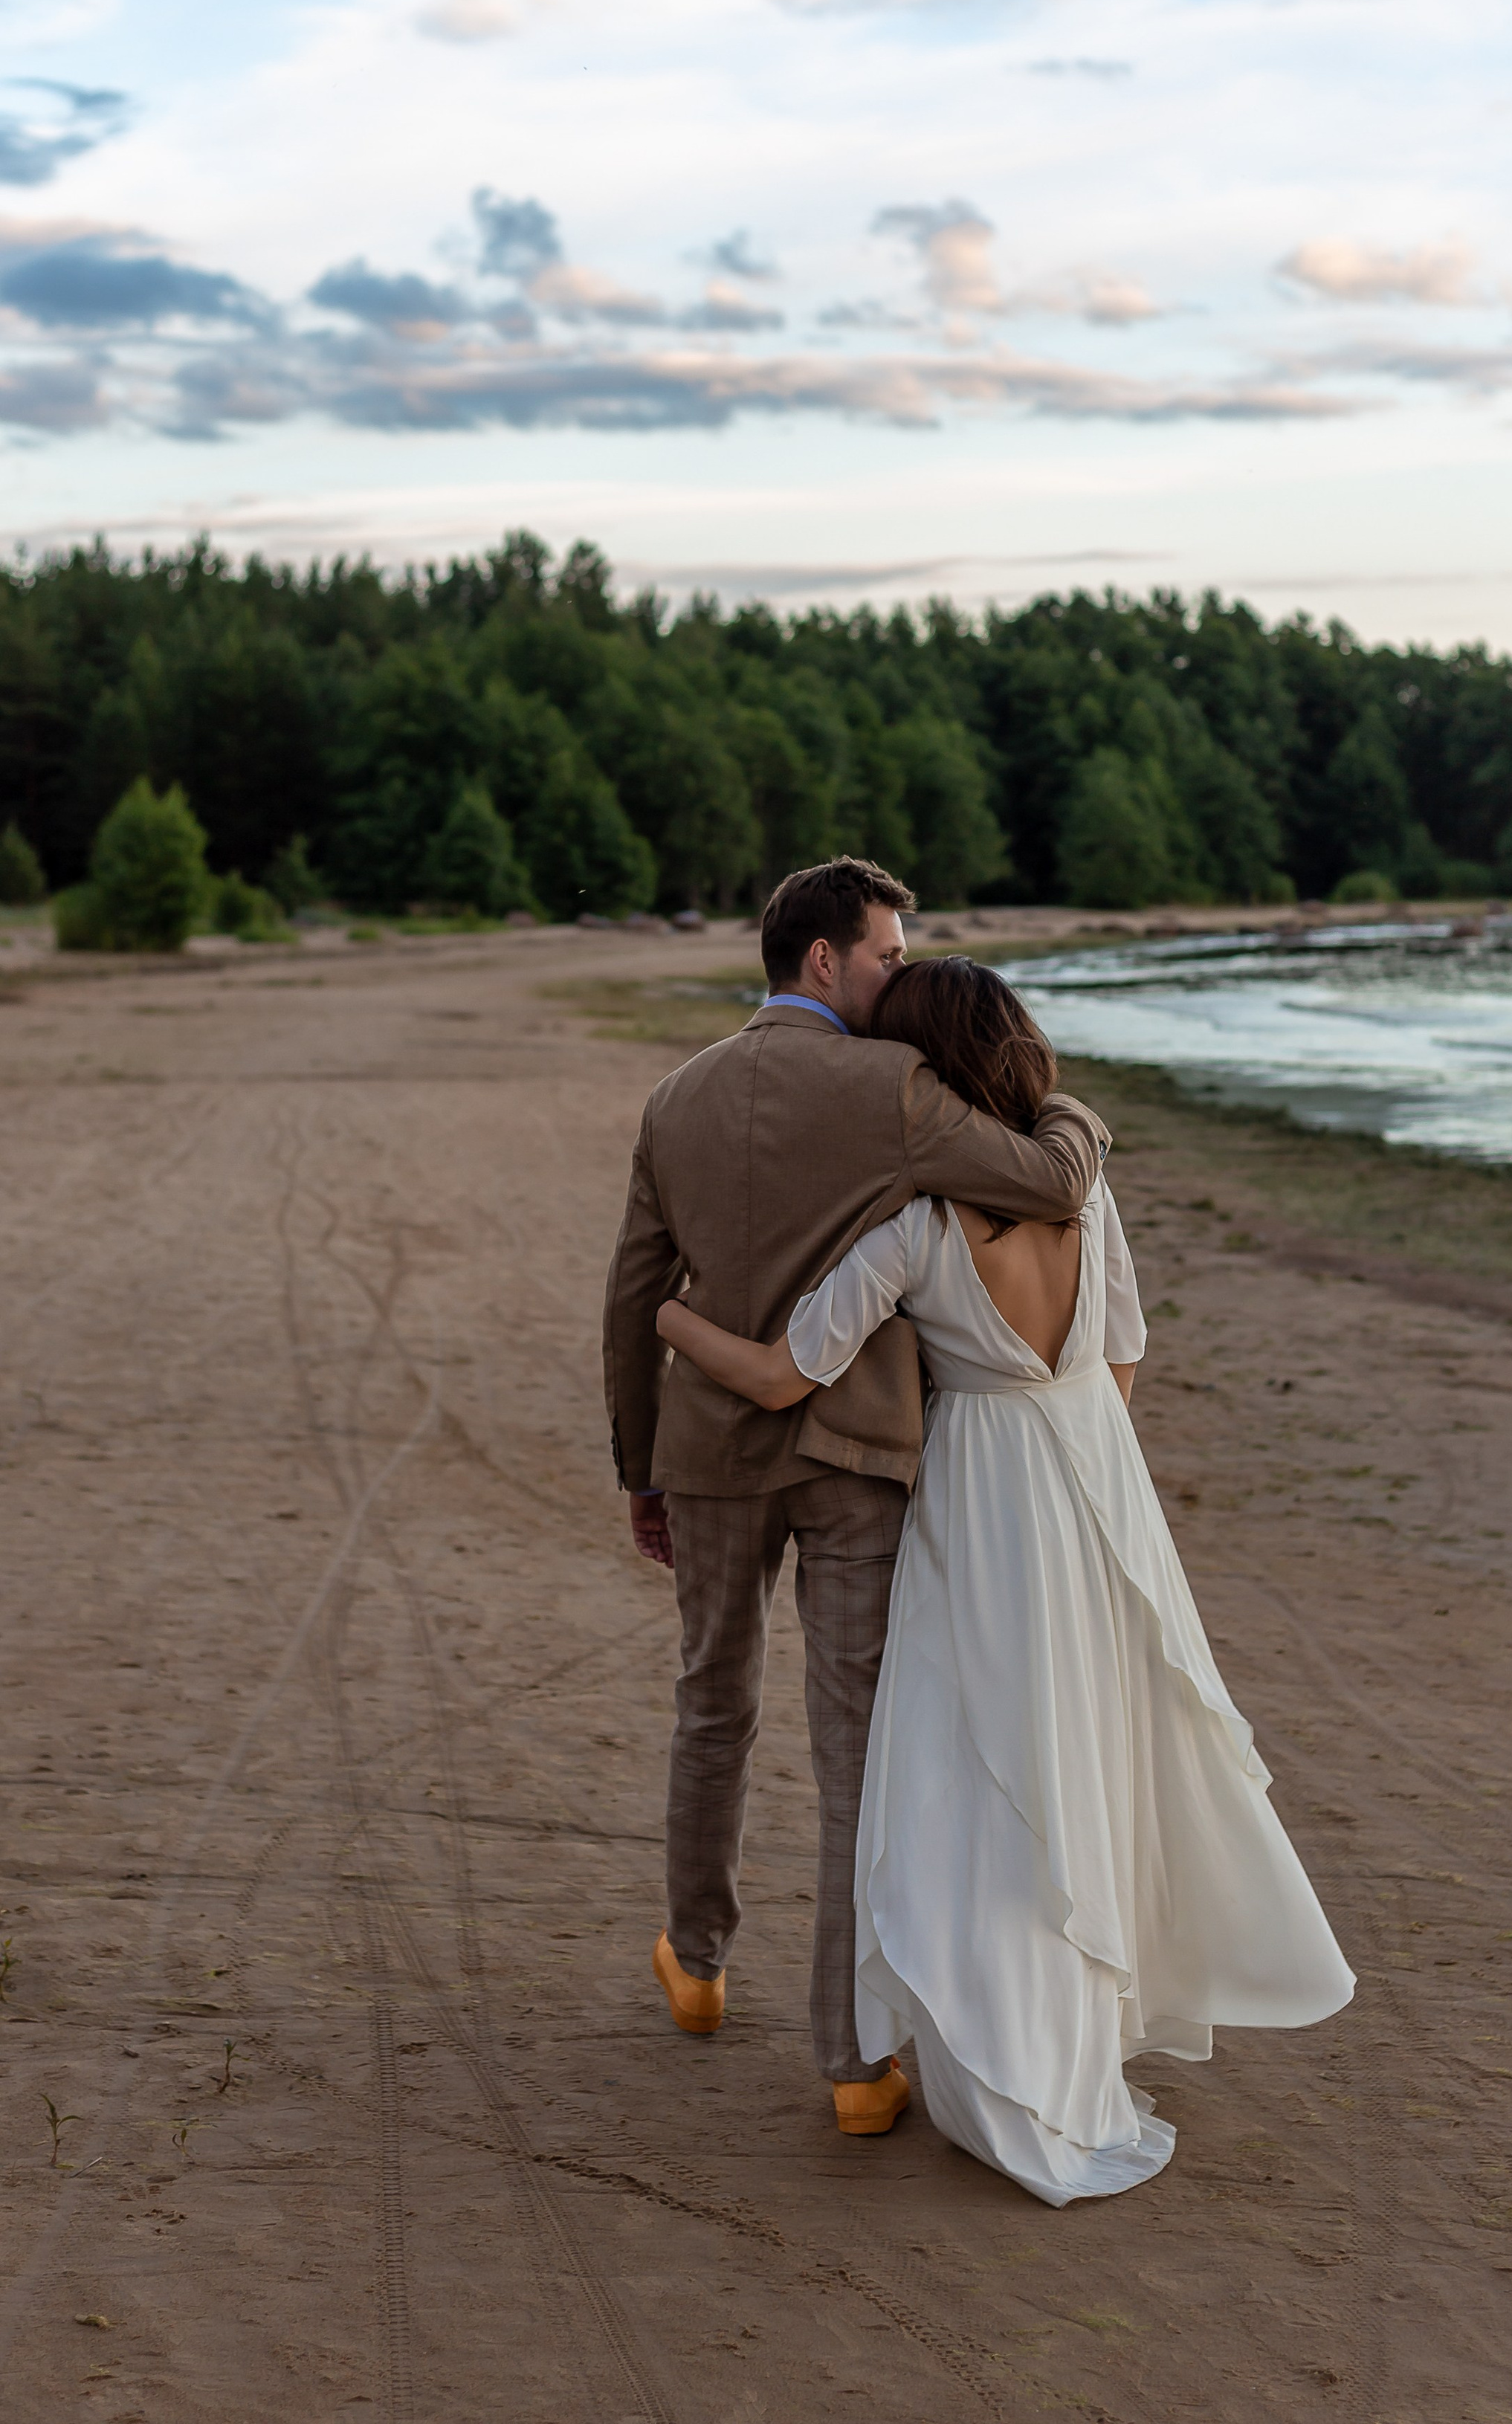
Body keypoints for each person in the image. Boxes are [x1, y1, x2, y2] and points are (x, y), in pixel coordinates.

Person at [657, 954, 1356, 2208]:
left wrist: (672, 1323)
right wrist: (1081, 1455)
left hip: (979, 1500)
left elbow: (777, 1377)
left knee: (978, 1777)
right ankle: (1084, 2034)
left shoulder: (915, 1232)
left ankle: (990, 2044)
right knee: (1091, 1759)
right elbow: (1127, 1357)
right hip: (1098, 1484)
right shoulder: (1094, 1204)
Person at [602, 859, 1107, 2138]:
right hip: (854, 1455)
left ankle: (699, 1968)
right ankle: (851, 2059)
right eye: (887, 952)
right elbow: (1049, 1187)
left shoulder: (676, 1097)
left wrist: (638, 1463)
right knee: (855, 1750)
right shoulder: (900, 1089)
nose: (898, 972)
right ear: (823, 959)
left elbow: (633, 1294)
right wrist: (1084, 1119)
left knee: (712, 1702)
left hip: (709, 1450)